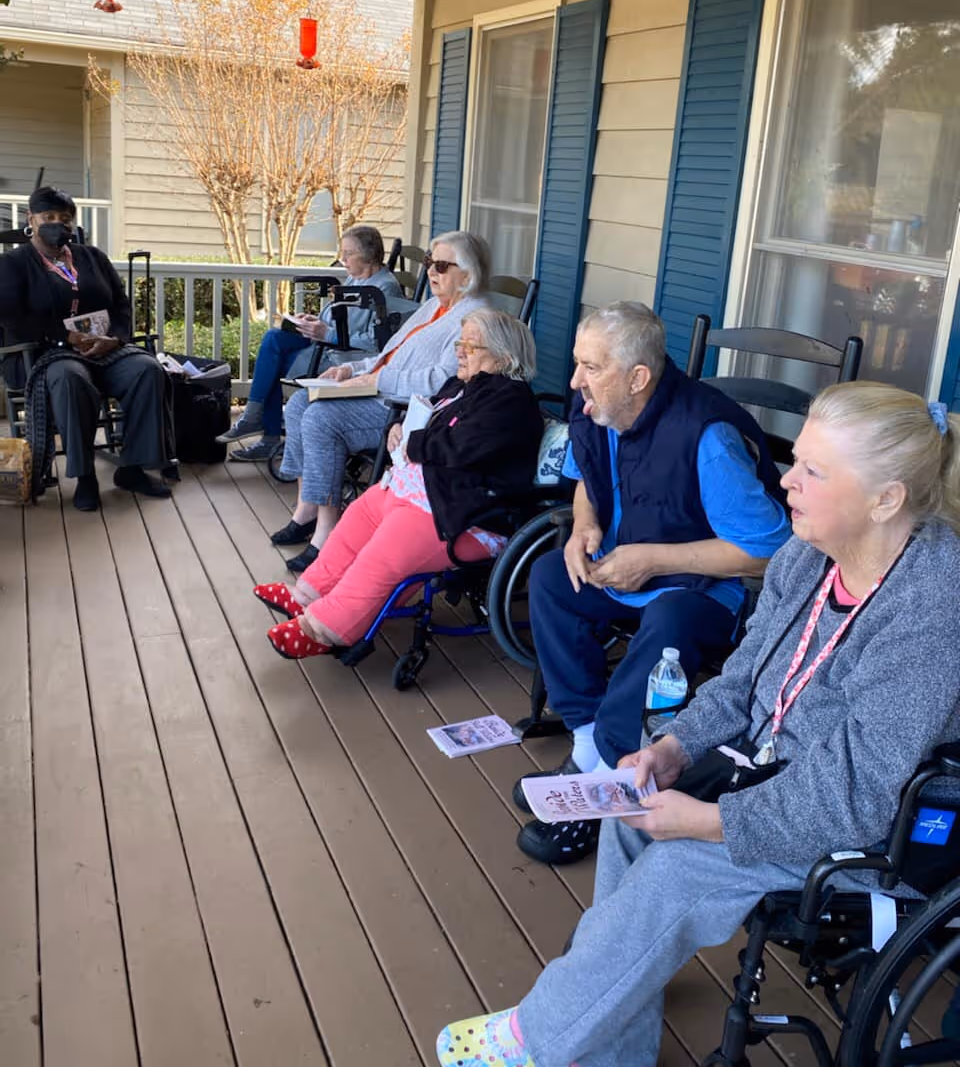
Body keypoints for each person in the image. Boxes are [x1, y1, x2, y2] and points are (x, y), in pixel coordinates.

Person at [438, 383, 960, 1067]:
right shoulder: (808, 558)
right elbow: (743, 682)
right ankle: (606, 1047)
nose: (784, 480)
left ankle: (537, 1040)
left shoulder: (930, 609)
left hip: (876, 826)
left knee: (678, 867)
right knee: (635, 815)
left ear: (885, 499)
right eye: (794, 461)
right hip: (771, 768)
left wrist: (711, 821)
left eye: (812, 471)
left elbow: (855, 793)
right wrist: (674, 747)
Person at [513, 301, 791, 865]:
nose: (574, 381)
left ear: (638, 378)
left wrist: (656, 561)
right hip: (624, 566)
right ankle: (589, 741)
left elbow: (769, 551)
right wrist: (583, 528)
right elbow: (588, 477)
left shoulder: (707, 437)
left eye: (590, 367)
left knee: (669, 620)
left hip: (704, 591)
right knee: (548, 578)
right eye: (577, 363)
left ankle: (608, 786)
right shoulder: (596, 405)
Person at [254, 310, 543, 654]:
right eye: (459, 342)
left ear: (505, 357)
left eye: (471, 345)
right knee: (359, 515)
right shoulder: (462, 387)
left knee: (384, 552)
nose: (460, 351)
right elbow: (427, 416)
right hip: (426, 495)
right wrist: (400, 427)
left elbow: (461, 447)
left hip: (464, 517)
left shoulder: (510, 400)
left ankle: (326, 629)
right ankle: (308, 594)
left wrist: (413, 440)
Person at [270, 229, 492, 574]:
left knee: (320, 419)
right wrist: (350, 368)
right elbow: (389, 354)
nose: (431, 271)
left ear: (469, 272)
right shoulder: (434, 306)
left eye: (442, 266)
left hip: (406, 410)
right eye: (431, 263)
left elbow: (445, 381)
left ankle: (326, 532)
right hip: (378, 391)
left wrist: (376, 380)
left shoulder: (473, 319)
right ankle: (306, 509)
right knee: (300, 403)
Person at [0, 187, 173, 511]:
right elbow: (11, 316)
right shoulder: (13, 262)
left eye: (64, 219)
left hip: (103, 349)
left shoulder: (92, 257)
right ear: (31, 220)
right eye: (48, 217)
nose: (57, 224)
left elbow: (121, 306)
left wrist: (117, 339)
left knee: (147, 370)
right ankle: (85, 477)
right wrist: (65, 338)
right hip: (45, 353)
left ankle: (132, 469)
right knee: (71, 378)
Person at [218, 224, 403, 462]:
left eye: (348, 254)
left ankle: (262, 430)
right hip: (327, 346)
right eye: (341, 252)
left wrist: (328, 334)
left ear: (368, 255)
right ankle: (256, 422)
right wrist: (316, 322)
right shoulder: (356, 279)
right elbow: (342, 319)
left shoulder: (385, 288)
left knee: (272, 362)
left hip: (343, 358)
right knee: (273, 338)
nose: (342, 259)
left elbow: (379, 343)